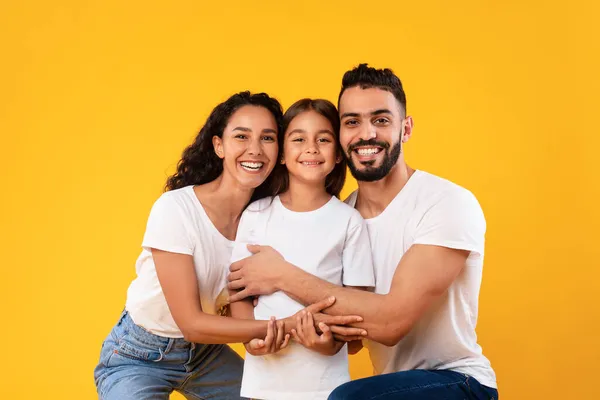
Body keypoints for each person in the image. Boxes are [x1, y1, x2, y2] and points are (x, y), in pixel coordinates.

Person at [227, 65, 499, 399]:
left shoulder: (446, 203)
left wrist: (280, 275)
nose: (366, 133)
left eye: (381, 120)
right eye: (352, 121)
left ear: (406, 128)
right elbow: (351, 334)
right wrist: (315, 336)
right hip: (389, 387)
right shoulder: (342, 218)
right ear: (341, 136)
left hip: (459, 381)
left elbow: (389, 325)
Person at [93, 91, 362, 400]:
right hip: (140, 352)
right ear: (219, 145)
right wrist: (287, 327)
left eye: (267, 138)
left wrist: (272, 337)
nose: (255, 150)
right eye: (241, 137)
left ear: (280, 150)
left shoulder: (265, 218)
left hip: (207, 354)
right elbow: (192, 324)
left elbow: (253, 301)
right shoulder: (176, 209)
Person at [230, 98, 375, 400]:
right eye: (299, 139)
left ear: (338, 155)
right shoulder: (256, 214)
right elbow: (239, 293)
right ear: (282, 154)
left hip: (326, 387)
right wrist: (249, 338)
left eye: (323, 139)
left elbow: (360, 313)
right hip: (263, 385)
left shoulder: (349, 222)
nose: (311, 148)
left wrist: (330, 344)